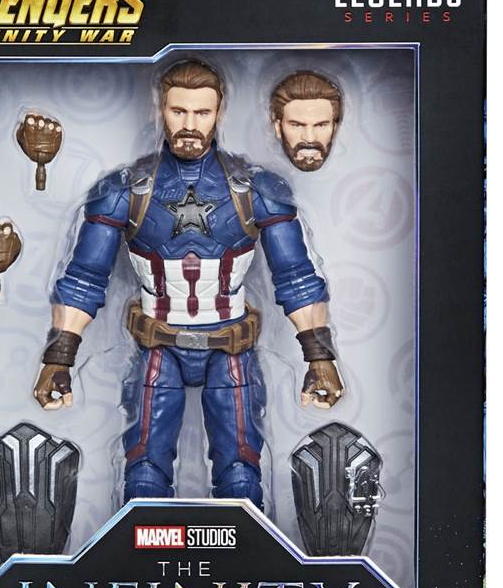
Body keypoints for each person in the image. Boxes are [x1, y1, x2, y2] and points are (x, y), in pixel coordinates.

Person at [34, 60, 343, 507]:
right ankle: (143, 548)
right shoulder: (125, 190)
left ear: (219, 113)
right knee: (144, 471)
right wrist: (59, 358)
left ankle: (244, 551)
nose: (190, 124)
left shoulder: (256, 189)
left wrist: (319, 356)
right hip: (158, 349)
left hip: (231, 350)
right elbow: (85, 277)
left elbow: (295, 276)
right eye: (179, 111)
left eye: (202, 112)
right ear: (160, 109)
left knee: (240, 473)